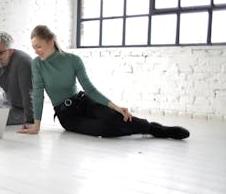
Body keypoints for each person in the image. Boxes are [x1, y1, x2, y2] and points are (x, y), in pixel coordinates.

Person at [19, 25, 190, 139]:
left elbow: (89, 89)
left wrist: (115, 106)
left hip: (83, 101)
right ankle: (142, 129)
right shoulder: (37, 64)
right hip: (67, 116)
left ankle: (155, 129)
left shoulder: (73, 60)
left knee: (114, 116)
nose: (36, 51)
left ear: (50, 42)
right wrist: (36, 126)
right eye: (34, 47)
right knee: (103, 129)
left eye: (39, 46)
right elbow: (38, 94)